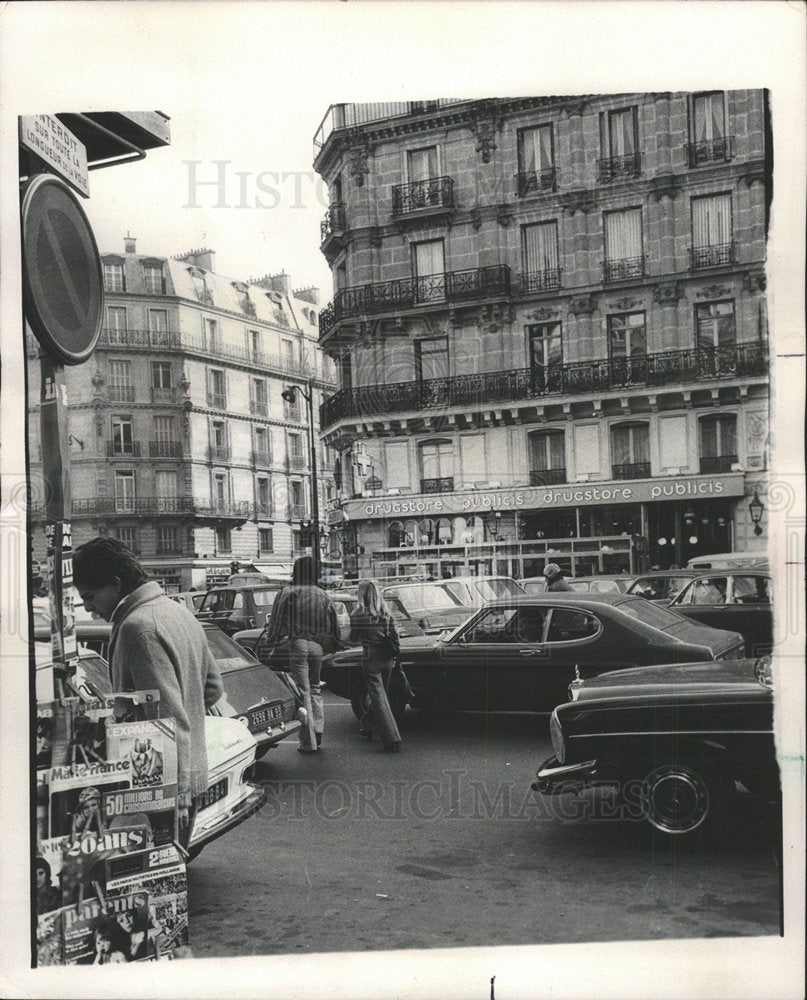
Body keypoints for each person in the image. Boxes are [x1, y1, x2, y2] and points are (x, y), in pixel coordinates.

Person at [73, 537, 224, 836]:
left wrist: (176, 791)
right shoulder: (177, 611)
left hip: (160, 788)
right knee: (174, 861)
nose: (88, 608)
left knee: (150, 863)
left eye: (90, 597)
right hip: (186, 775)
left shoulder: (138, 627)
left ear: (115, 584)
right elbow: (212, 689)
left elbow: (168, 717)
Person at [266, 555, 339, 753]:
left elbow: (276, 623)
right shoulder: (322, 594)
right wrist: (334, 644)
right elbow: (333, 623)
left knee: (302, 690)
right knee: (315, 688)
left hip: (298, 643)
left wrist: (272, 643)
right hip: (317, 645)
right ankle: (318, 729)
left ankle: (308, 741)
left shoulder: (288, 593)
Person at [349, 580, 402, 753]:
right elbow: (395, 636)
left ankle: (391, 739)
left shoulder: (358, 614)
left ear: (361, 594)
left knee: (378, 698)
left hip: (370, 657)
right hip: (388, 657)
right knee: (381, 696)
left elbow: (353, 638)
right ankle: (366, 724)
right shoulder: (385, 612)